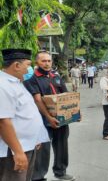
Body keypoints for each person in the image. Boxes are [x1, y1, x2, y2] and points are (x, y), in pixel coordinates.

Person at [24, 51, 75, 181]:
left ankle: (60, 171)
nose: (47, 64)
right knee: (42, 150)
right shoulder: (32, 80)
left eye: (49, 61)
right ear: (37, 63)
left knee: (62, 146)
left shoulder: (56, 76)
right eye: (43, 61)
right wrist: (48, 117)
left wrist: (76, 112)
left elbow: (67, 96)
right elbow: (38, 100)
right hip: (43, 121)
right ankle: (38, 177)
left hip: (62, 119)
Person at [0, 49, 49, 181]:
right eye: (28, 65)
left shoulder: (17, 82)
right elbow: (3, 122)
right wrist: (18, 152)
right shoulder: (3, 85)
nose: (30, 69)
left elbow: (26, 113)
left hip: (27, 145)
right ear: (16, 65)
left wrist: (36, 138)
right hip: (13, 151)